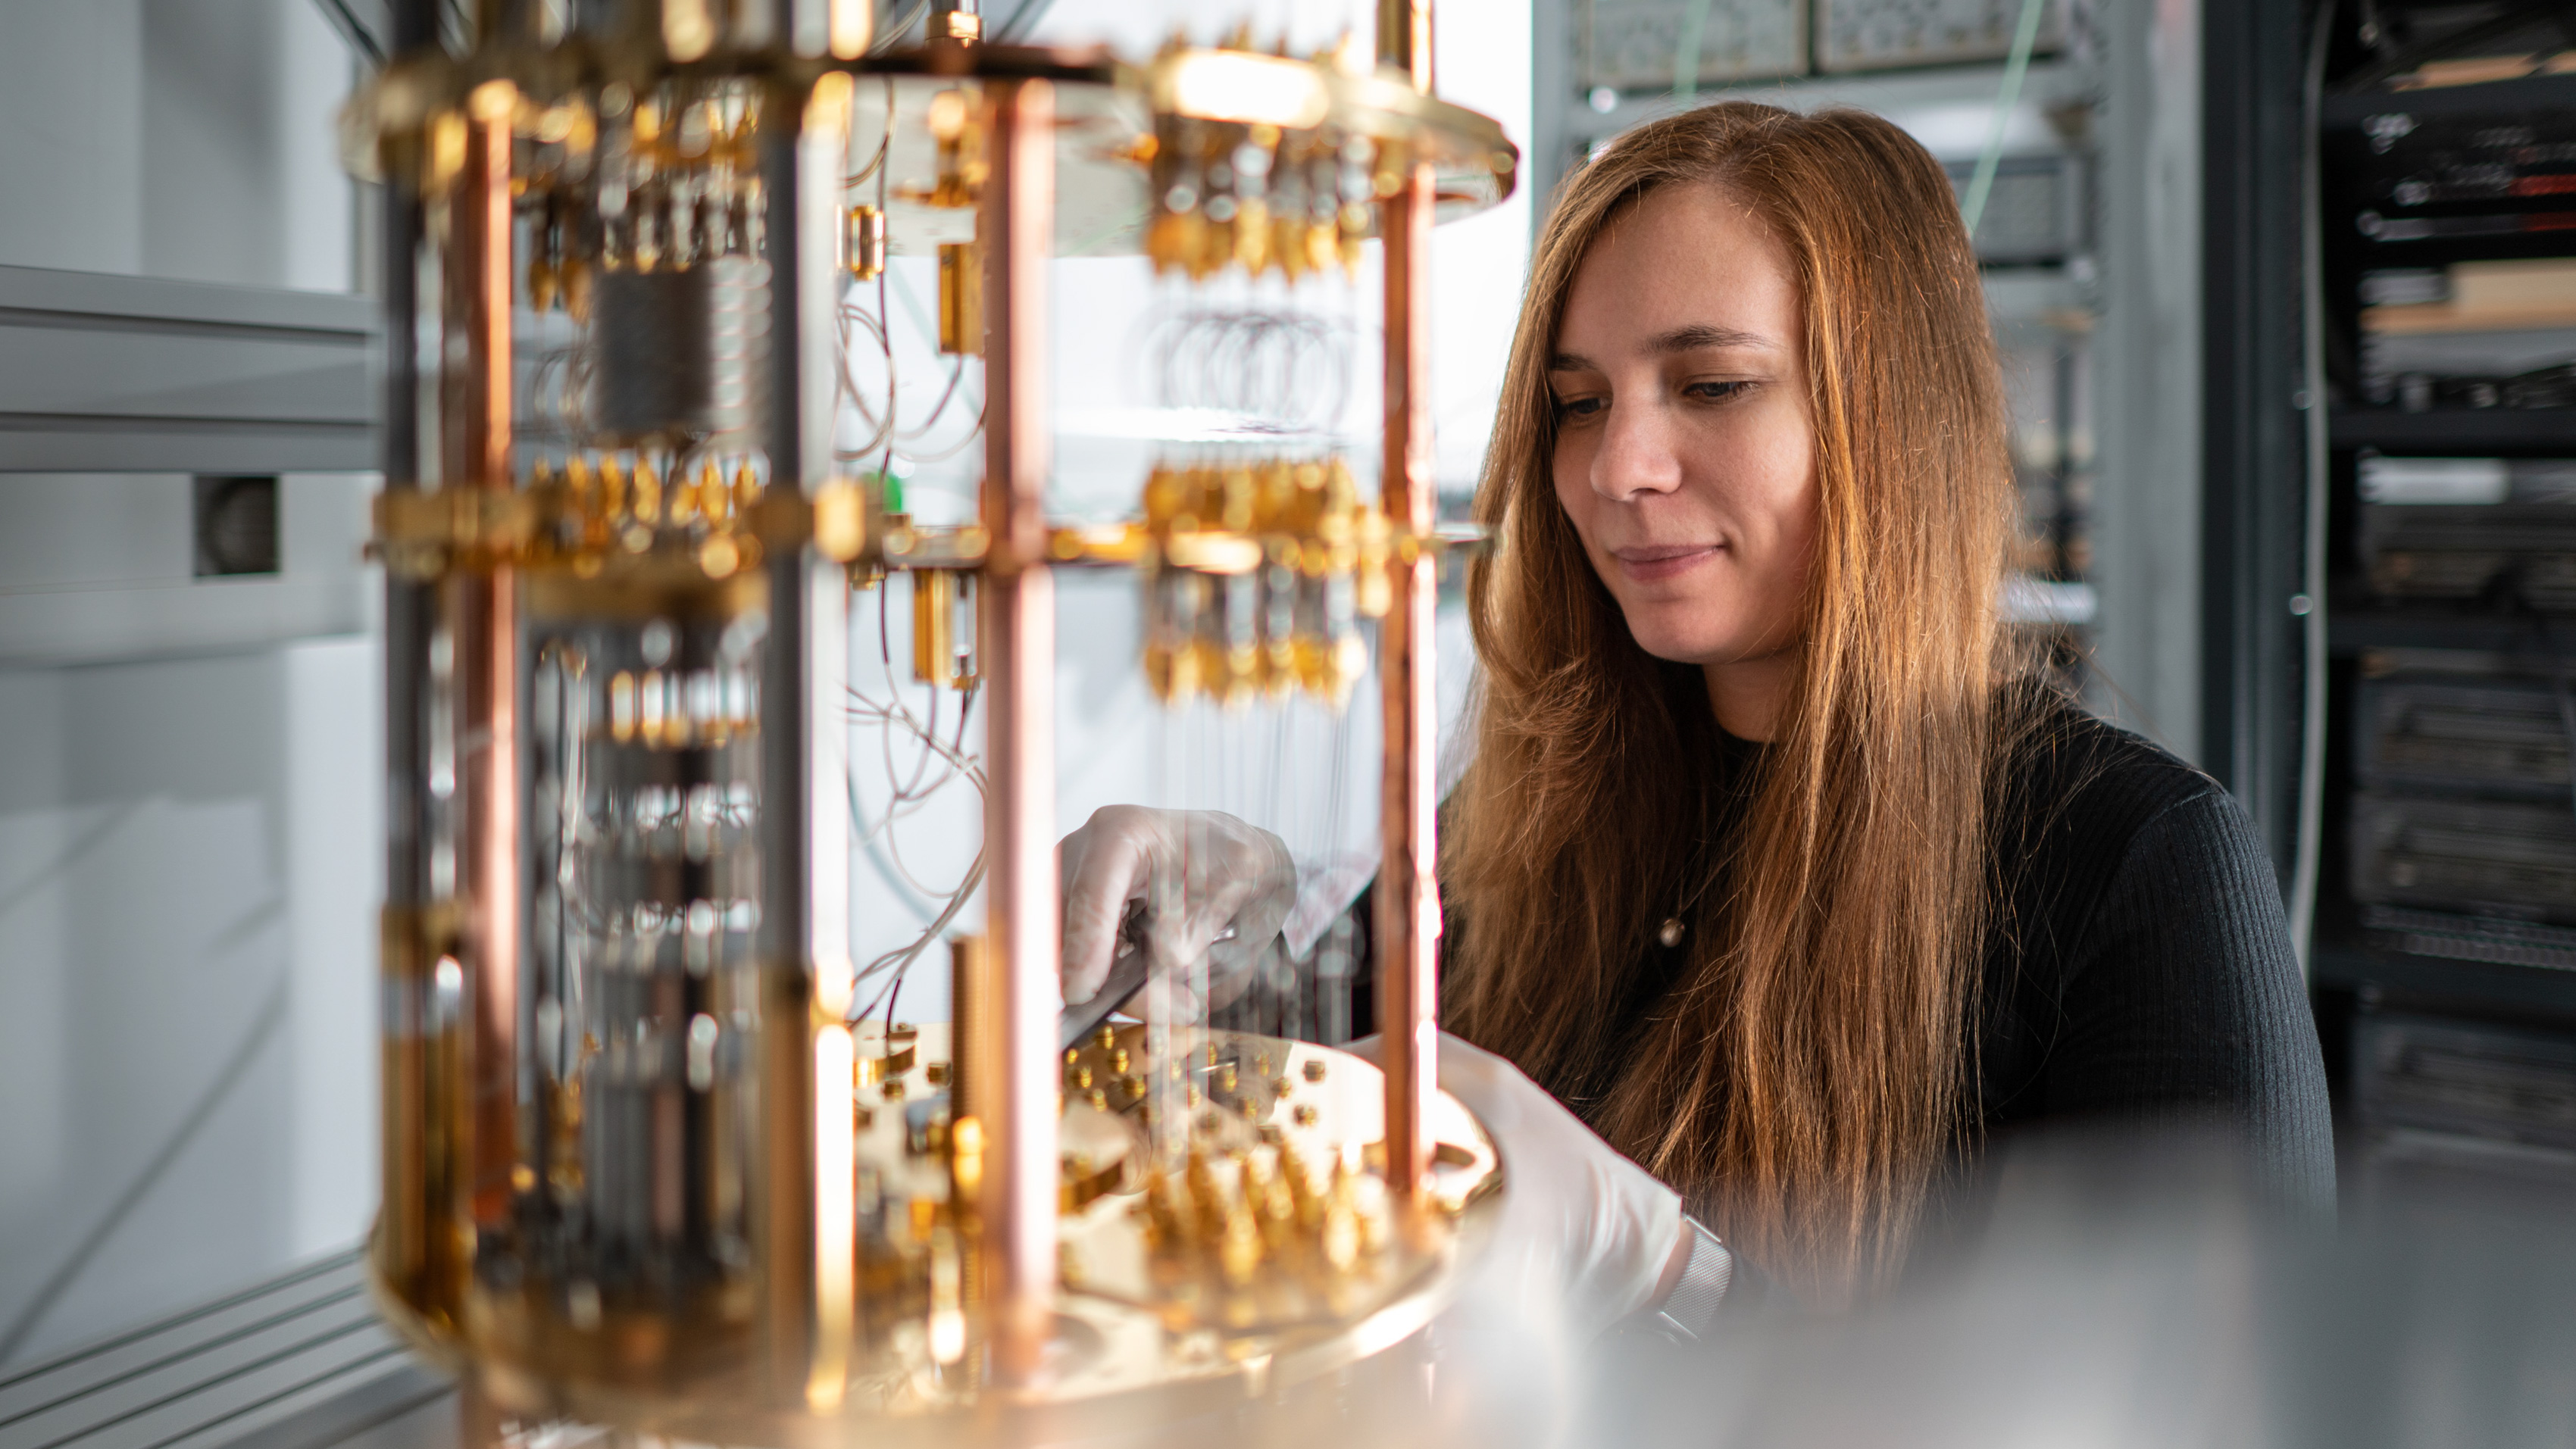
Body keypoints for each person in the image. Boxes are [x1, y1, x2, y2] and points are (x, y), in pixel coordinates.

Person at [1056, 101, 2331, 1330]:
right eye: (1579, 401)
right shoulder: (1533, 806)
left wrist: (1672, 1278)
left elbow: (2230, 1411)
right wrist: (1220, 957)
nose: (1618, 468)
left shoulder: (2138, 866)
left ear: (1891, 416)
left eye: (1712, 384)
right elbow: (1314, 1143)